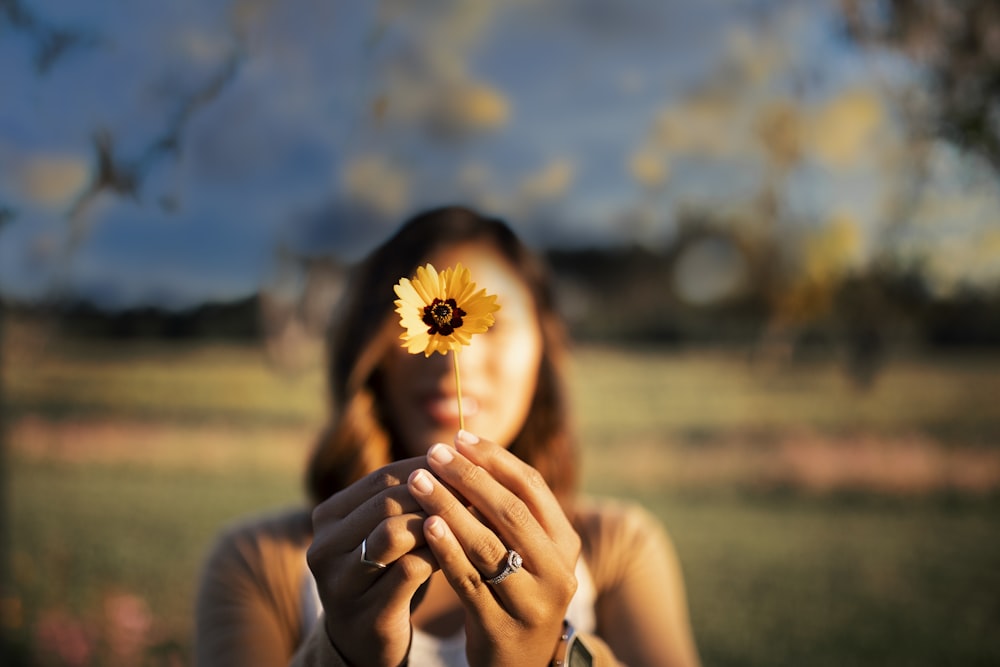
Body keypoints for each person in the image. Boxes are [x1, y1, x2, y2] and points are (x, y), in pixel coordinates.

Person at [195, 205, 702, 666]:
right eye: (418, 320)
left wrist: (550, 656)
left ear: (544, 348)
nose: (451, 354)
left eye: (495, 322)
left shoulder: (620, 550)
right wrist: (340, 655)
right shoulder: (260, 561)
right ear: (373, 349)